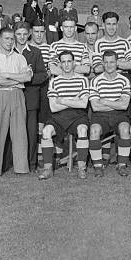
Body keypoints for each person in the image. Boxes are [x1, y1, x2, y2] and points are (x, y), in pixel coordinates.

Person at [0, 28, 32, 179]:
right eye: (6, 38)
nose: (10, 41)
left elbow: (27, 78)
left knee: (19, 132)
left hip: (17, 95)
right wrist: (17, 79)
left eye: (12, 39)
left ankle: (21, 168)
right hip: (0, 96)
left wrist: (7, 75)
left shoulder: (20, 58)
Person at [39, 50, 90, 180]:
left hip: (78, 115)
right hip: (58, 116)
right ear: (60, 64)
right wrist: (74, 100)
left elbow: (83, 105)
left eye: (69, 61)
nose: (66, 64)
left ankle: (81, 168)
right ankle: (48, 169)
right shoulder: (55, 82)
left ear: (74, 63)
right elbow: (53, 107)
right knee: (46, 131)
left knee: (82, 130)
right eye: (63, 62)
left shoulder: (83, 80)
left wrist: (62, 100)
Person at [88, 50, 131, 178]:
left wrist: (105, 101)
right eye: (106, 62)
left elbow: (124, 105)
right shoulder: (96, 81)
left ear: (117, 63)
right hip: (100, 116)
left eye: (112, 62)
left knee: (125, 129)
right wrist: (115, 103)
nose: (109, 65)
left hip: (119, 115)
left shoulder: (124, 80)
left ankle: (122, 165)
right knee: (94, 130)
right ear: (102, 63)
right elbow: (95, 107)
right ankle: (98, 166)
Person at [14, 23, 48, 173]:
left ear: (29, 35)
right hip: (13, 96)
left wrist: (29, 77)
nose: (21, 37)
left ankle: (31, 162)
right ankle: (13, 162)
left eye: (24, 34)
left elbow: (43, 75)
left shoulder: (35, 52)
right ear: (14, 35)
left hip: (30, 98)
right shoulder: (9, 52)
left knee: (30, 131)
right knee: (13, 132)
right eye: (18, 34)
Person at [30, 22, 52, 158]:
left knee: (43, 121)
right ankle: (33, 153)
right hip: (30, 88)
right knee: (32, 122)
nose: (39, 35)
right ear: (31, 32)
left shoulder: (49, 48)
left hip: (45, 87)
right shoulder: (26, 47)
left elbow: (52, 69)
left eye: (41, 32)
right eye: (36, 31)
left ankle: (42, 154)